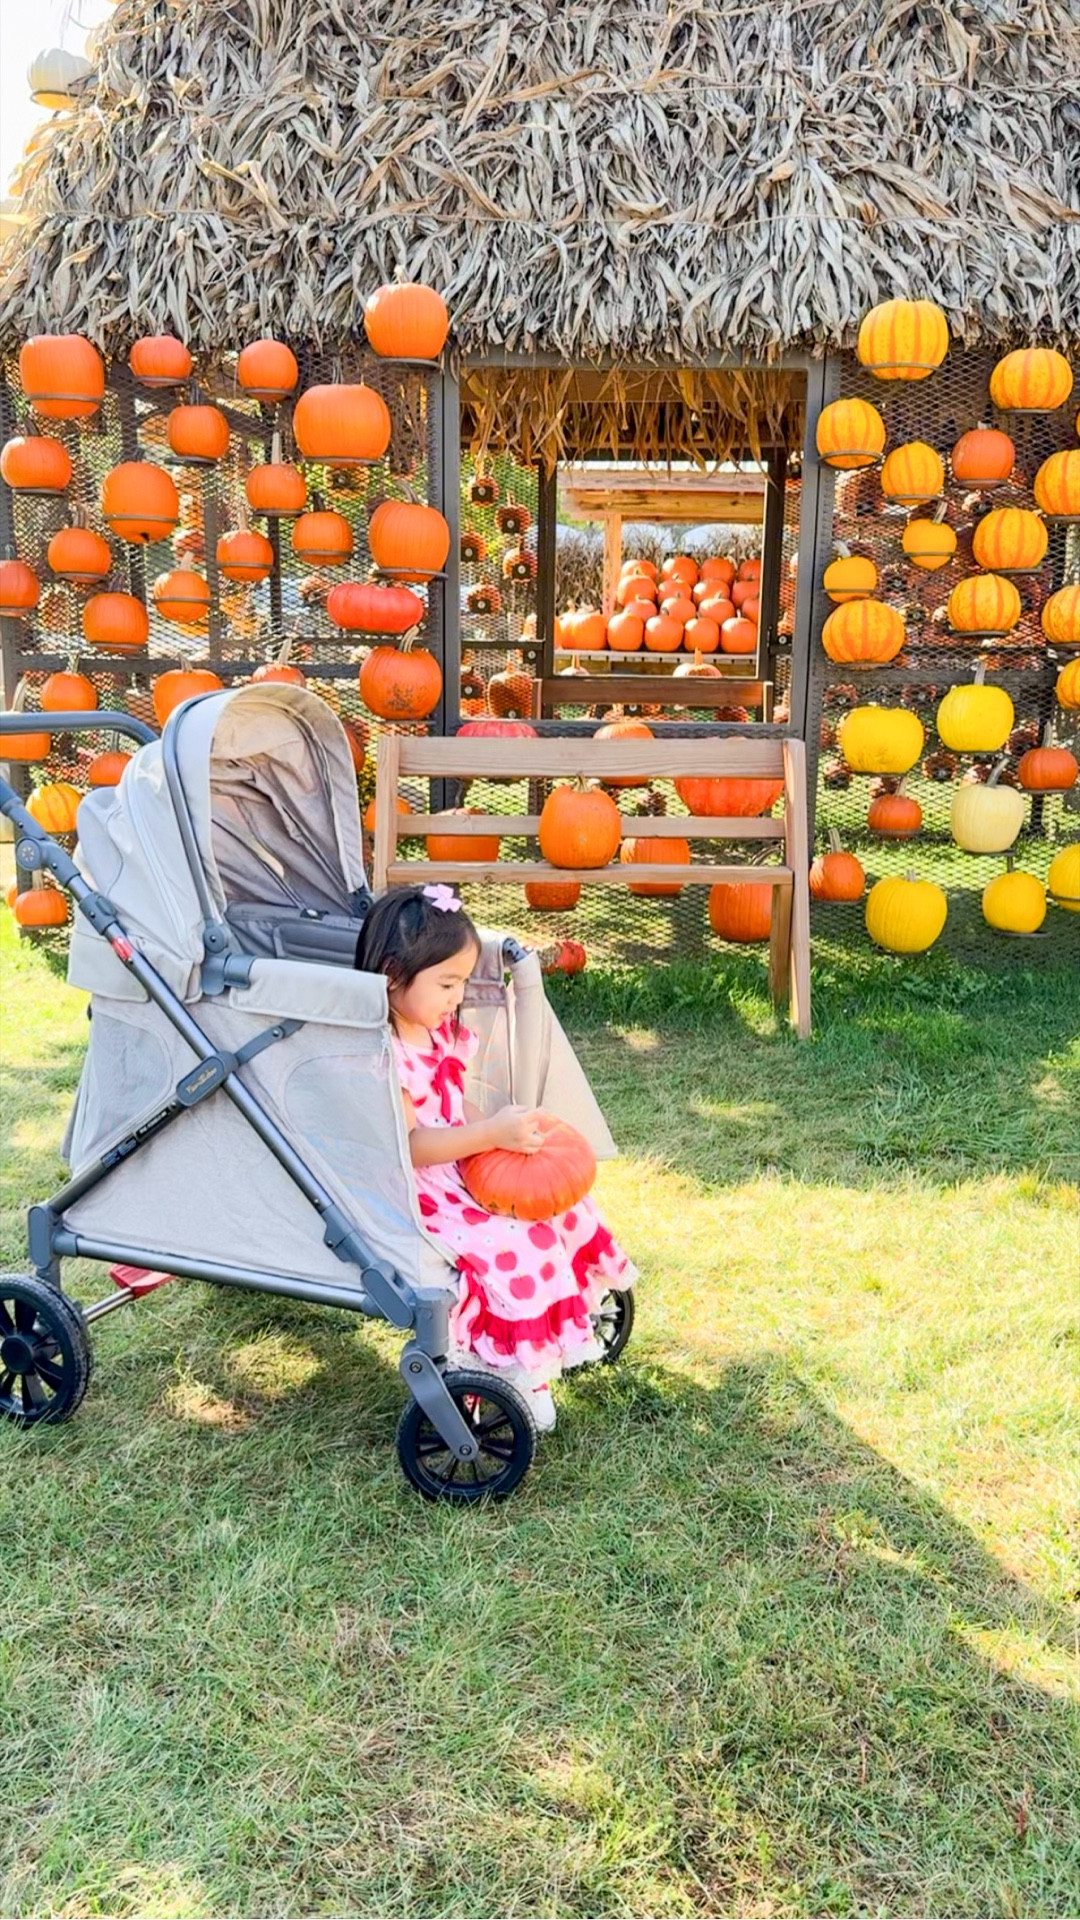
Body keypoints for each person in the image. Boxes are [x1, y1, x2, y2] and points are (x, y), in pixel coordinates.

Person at [354, 884, 636, 1432]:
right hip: (419, 1191)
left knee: (564, 1210)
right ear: (391, 976)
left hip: (457, 1170)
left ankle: (551, 1338)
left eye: (461, 982)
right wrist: (490, 1134)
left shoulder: (430, 1030)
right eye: (447, 984)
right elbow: (411, 1148)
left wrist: (494, 1137)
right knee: (515, 1242)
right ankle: (509, 1370)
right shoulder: (383, 1053)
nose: (458, 998)